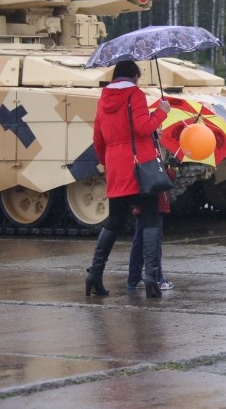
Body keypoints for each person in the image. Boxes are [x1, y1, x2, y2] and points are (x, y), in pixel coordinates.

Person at [85, 60, 170, 298]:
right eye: (138, 77)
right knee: (151, 219)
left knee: (114, 222)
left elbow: (98, 139)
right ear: (133, 76)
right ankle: (151, 277)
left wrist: (109, 160)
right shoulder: (135, 95)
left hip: (116, 167)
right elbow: (143, 128)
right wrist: (162, 111)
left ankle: (94, 275)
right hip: (140, 167)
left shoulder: (103, 99)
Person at [127, 191, 174, 291]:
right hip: (154, 197)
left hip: (141, 196)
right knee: (154, 239)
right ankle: (156, 278)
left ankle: (134, 278)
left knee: (139, 240)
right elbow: (170, 176)